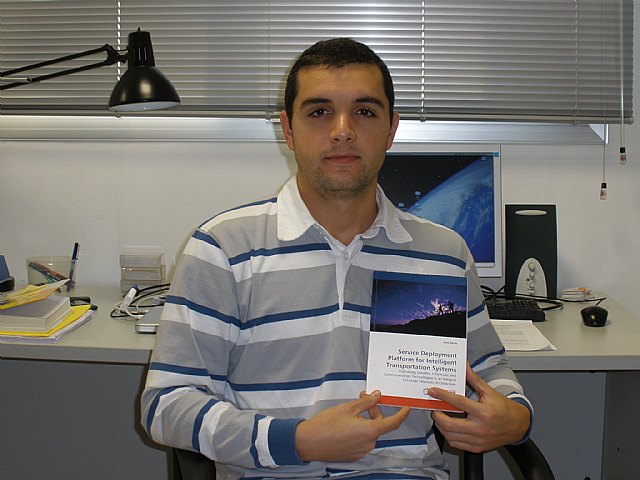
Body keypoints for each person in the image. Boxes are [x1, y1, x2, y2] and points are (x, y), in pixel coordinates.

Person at [141, 38, 532, 480]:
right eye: (319, 112)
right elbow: (167, 404)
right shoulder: (223, 249)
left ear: (391, 129)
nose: (342, 130)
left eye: (364, 111)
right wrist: (297, 440)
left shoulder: (442, 253)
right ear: (288, 130)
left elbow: (488, 369)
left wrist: (515, 416)